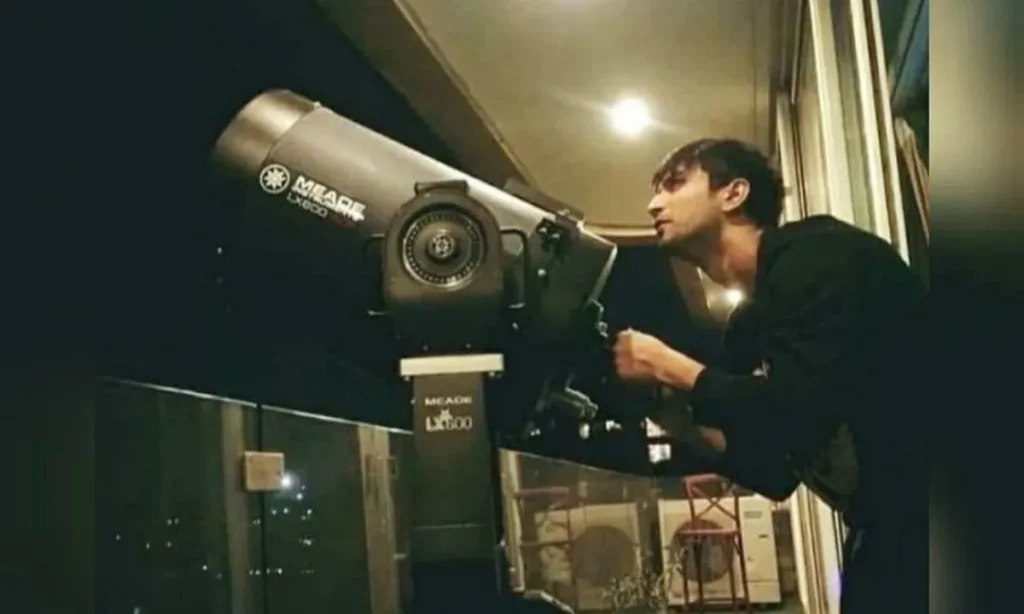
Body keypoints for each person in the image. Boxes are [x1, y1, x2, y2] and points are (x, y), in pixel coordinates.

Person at [612, 138, 928, 613]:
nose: (654, 204)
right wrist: (671, 415)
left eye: (673, 184)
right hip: (885, 529)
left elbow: (793, 404)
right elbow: (774, 468)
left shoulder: (817, 256)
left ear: (733, 193)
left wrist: (666, 363)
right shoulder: (749, 324)